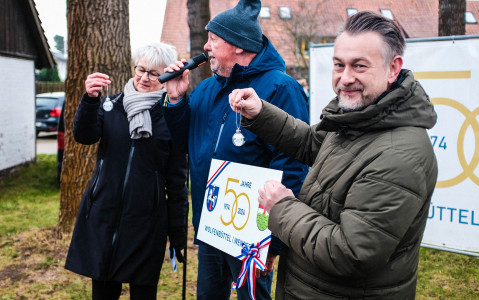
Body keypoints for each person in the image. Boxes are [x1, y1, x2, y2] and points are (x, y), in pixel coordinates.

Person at [228, 11, 438, 299]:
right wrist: (261, 113)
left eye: (359, 66)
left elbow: (351, 253)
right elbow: (311, 144)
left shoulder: (399, 155)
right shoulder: (361, 118)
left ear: (393, 68)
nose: (345, 78)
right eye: (339, 65)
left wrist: (282, 207)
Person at [162, 0, 309, 299]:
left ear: (239, 46)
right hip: (214, 223)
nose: (207, 47)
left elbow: (292, 165)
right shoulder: (206, 89)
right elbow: (185, 145)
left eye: (214, 39)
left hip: (253, 234)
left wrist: (274, 242)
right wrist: (176, 101)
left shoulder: (280, 88)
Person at [65, 42, 189, 300]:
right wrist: (90, 100)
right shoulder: (111, 106)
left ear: (167, 76)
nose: (144, 78)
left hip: (146, 223)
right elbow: (84, 136)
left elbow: (177, 182)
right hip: (104, 216)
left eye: (154, 73)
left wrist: (177, 235)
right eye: (141, 69)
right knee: (103, 291)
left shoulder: (171, 116)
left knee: (143, 293)